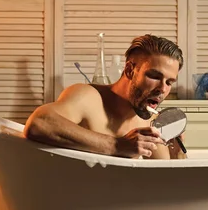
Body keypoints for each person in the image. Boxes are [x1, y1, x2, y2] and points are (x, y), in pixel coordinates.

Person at [24, 34, 186, 159]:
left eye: (169, 82)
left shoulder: (150, 124)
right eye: (154, 76)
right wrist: (116, 145)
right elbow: (39, 123)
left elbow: (166, 182)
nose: (162, 89)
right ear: (130, 70)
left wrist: (178, 153)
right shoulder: (88, 97)